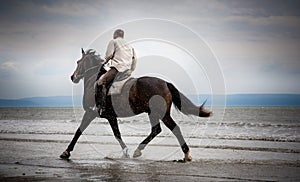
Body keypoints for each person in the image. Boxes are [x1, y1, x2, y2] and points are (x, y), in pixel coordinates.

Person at [96, 29, 136, 115]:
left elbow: (109, 55)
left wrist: (104, 62)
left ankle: (102, 106)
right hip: (127, 71)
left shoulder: (113, 41)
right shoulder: (130, 45)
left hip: (117, 69)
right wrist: (131, 70)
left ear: (116, 34)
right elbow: (135, 59)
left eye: (113, 34)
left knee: (100, 82)